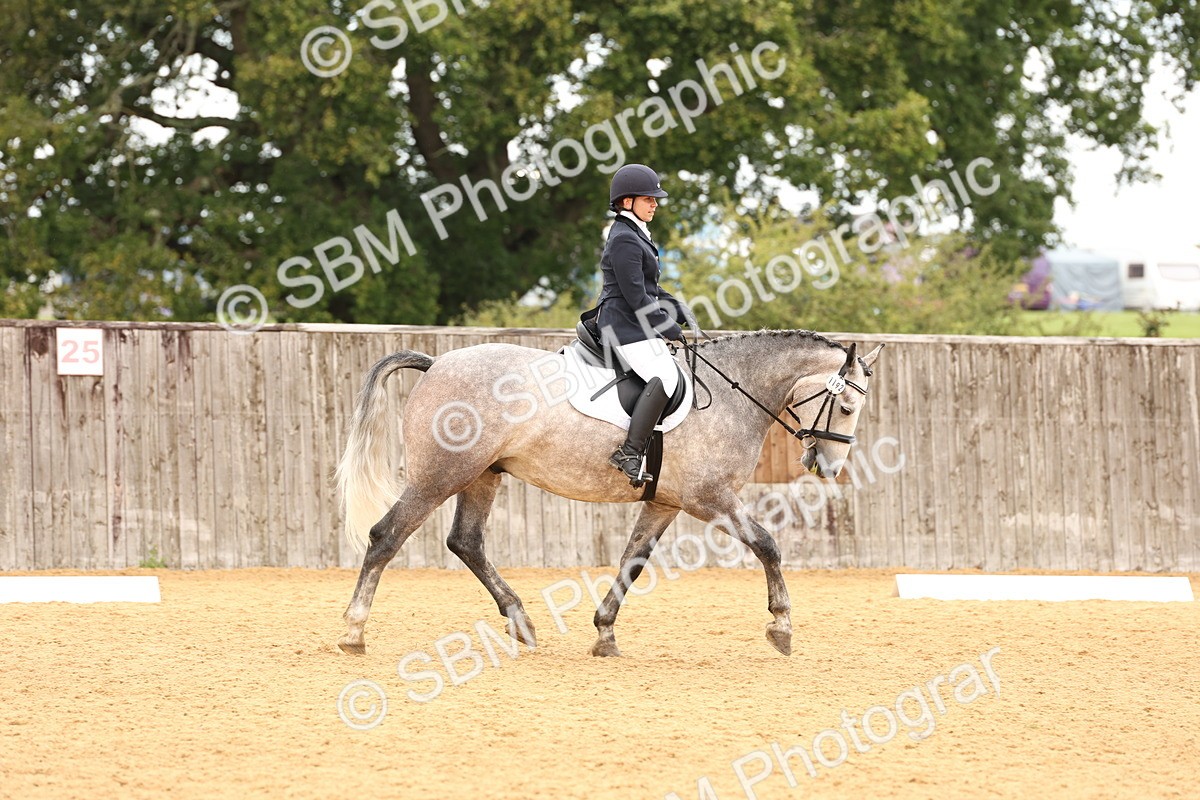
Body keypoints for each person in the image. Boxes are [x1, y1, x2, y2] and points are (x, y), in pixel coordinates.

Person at [592, 163, 688, 486]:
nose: (655, 204)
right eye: (649, 198)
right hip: (621, 325)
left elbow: (650, 287)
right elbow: (636, 297)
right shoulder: (624, 239)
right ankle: (630, 452)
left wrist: (677, 307)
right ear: (627, 201)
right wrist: (667, 326)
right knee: (665, 376)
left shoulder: (635, 233)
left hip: (633, 323)